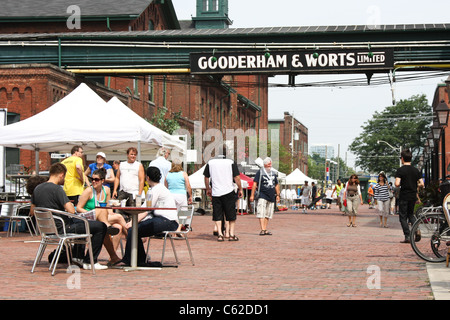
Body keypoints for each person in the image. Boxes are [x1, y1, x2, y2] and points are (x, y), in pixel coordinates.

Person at [29, 163, 108, 270]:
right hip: (63, 228)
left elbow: (32, 211)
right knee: (100, 226)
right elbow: (71, 210)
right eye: (65, 177)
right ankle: (90, 261)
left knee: (81, 223)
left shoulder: (37, 189)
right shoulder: (57, 189)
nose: (65, 180)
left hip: (46, 230)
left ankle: (77, 257)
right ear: (61, 175)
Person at [119, 166, 179, 267]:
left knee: (133, 230)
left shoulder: (156, 189)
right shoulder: (158, 188)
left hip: (168, 221)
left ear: (147, 178)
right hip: (166, 220)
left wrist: (133, 222)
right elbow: (147, 209)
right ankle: (138, 259)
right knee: (134, 230)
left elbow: (146, 209)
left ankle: (132, 260)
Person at [76, 168, 128, 265]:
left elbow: (108, 206)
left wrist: (110, 212)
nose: (94, 182)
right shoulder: (88, 191)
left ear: (102, 181)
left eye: (97, 180)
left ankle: (113, 257)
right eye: (92, 179)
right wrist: (92, 212)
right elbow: (78, 208)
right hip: (88, 217)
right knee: (119, 217)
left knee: (119, 227)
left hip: (102, 218)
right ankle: (133, 237)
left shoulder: (107, 190)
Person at [204, 145, 243, 242]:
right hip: (228, 191)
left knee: (217, 214)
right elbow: (237, 177)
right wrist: (240, 188)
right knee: (231, 214)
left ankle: (220, 235)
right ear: (227, 152)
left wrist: (208, 188)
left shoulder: (211, 162)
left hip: (216, 192)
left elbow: (206, 177)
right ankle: (231, 234)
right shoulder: (230, 162)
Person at [395, 149, 424, 243]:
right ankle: (417, 229)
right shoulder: (416, 170)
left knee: (402, 216)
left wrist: (403, 182)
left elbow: (396, 183)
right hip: (413, 196)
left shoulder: (400, 170)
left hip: (404, 195)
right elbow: (422, 184)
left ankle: (407, 236)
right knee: (411, 214)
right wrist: (414, 184)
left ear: (402, 159)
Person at [250, 157, 280, 236]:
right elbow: (254, 184)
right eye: (268, 164)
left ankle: (265, 229)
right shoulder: (260, 172)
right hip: (262, 195)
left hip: (271, 196)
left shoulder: (273, 173)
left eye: (270, 164)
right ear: (264, 165)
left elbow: (276, 184)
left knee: (268, 214)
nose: (270, 165)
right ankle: (262, 229)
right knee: (261, 212)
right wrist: (252, 195)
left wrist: (278, 195)